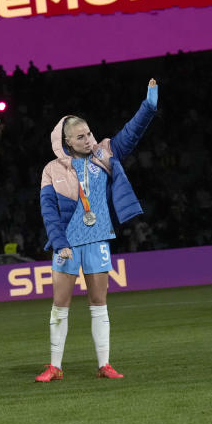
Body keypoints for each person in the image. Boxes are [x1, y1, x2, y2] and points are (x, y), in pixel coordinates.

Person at [35, 80, 159, 382]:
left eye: (89, 133)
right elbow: (49, 212)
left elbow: (133, 131)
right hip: (67, 245)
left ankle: (104, 364)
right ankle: (55, 366)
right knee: (60, 305)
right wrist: (59, 242)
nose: (89, 140)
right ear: (67, 142)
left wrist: (150, 104)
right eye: (81, 137)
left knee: (98, 303)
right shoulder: (52, 170)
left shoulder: (105, 153)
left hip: (98, 238)